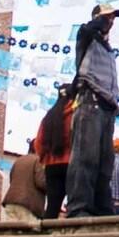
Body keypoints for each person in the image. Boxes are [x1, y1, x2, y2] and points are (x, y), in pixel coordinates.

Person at [64, 4, 119, 218]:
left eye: (112, 19)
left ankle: (101, 208)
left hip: (108, 107)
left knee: (105, 163)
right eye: (107, 18)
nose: (110, 22)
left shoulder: (109, 49)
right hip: (90, 102)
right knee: (85, 157)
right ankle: (79, 207)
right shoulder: (87, 37)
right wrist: (98, 22)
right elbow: (87, 30)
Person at [32, 85, 75, 220]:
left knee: (52, 206)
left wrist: (44, 159)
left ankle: (45, 236)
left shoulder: (48, 117)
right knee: (74, 203)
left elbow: (38, 143)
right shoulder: (75, 115)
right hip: (72, 164)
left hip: (52, 165)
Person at [2, 150, 46, 225]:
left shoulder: (19, 160)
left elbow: (11, 179)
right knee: (28, 233)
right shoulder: (38, 160)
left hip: (10, 202)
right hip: (27, 205)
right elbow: (41, 183)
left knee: (11, 233)